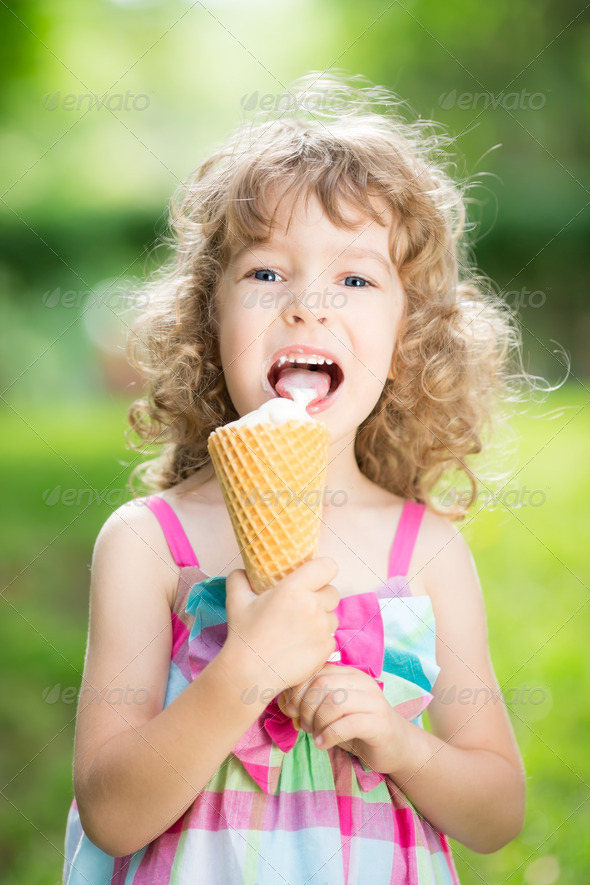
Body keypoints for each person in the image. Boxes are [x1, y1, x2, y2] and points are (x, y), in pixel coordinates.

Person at [62, 71, 538, 884]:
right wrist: (245, 669)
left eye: (354, 280)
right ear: (208, 320)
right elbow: (111, 813)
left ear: (408, 336)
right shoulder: (149, 544)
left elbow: (497, 809)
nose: (308, 306)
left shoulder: (425, 552)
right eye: (265, 274)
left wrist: (405, 743)